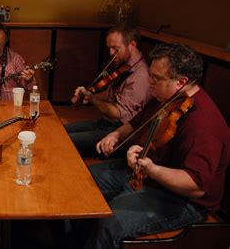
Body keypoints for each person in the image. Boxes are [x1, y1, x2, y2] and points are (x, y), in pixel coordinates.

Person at [75, 43, 229, 249]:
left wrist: (152, 169)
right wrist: (115, 134)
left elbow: (197, 186)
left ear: (181, 82)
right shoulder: (165, 97)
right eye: (150, 75)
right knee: (80, 185)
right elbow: (136, 122)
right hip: (144, 174)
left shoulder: (203, 125)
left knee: (109, 224)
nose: (149, 82)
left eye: (155, 78)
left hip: (181, 199)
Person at [64, 24, 151, 157]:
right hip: (105, 123)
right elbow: (112, 93)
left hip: (118, 131)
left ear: (132, 45)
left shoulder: (140, 76)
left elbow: (117, 114)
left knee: (64, 141)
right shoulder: (125, 65)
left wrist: (93, 99)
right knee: (61, 131)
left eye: (115, 49)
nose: (111, 53)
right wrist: (89, 94)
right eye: (109, 48)